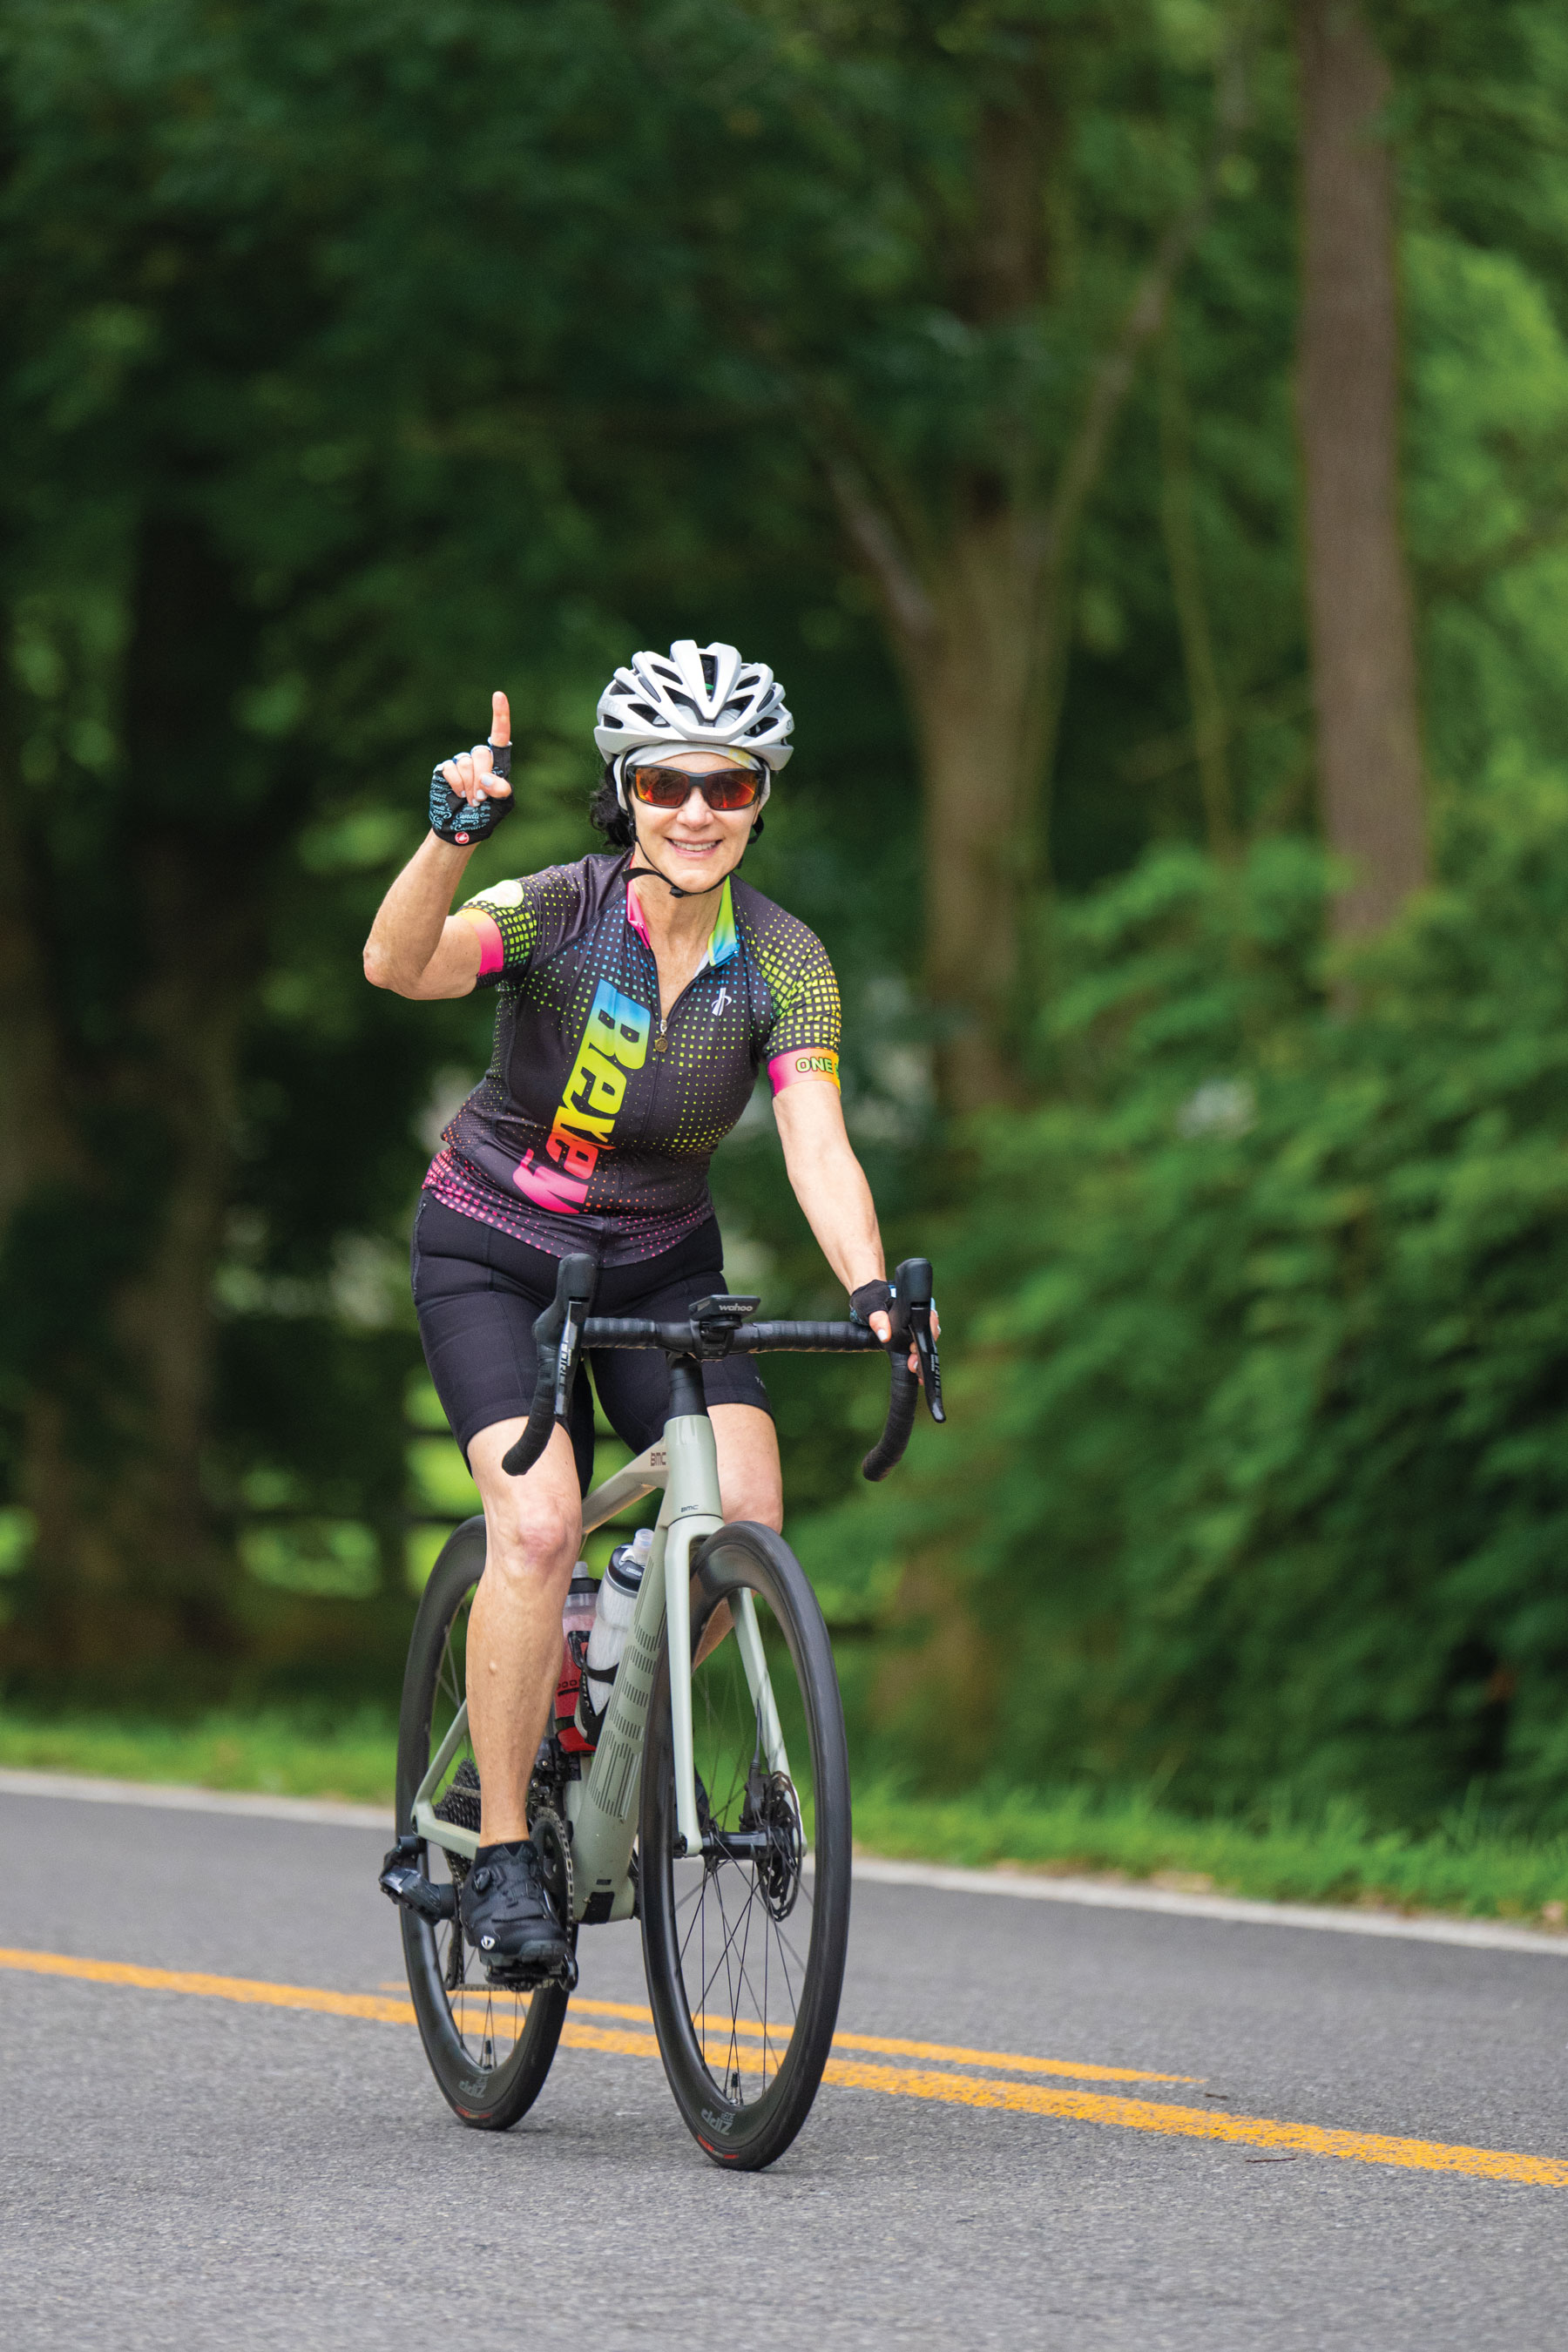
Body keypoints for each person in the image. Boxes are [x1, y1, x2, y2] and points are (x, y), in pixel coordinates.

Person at [363, 639, 926, 1976]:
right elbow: (405, 965)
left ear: (757, 799)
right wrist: (448, 838)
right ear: (627, 788)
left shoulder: (785, 962)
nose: (694, 812)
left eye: (725, 788)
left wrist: (870, 1288)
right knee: (539, 1519)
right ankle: (502, 1850)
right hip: (495, 1250)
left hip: (660, 1263)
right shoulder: (560, 907)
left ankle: (617, 1645)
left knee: (749, 1512)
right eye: (667, 783)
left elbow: (815, 1143)